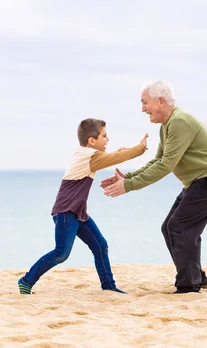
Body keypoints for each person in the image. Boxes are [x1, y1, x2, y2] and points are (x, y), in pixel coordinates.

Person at [101, 81, 207, 293]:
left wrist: (129, 185)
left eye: (145, 102)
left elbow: (166, 165)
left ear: (160, 101)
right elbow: (159, 160)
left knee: (179, 228)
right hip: (200, 181)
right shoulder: (168, 125)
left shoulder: (180, 121)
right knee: (171, 228)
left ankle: (189, 286)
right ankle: (197, 278)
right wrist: (129, 177)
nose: (142, 108)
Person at [18, 118, 148, 295]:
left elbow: (108, 158)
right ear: (92, 141)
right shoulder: (88, 157)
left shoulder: (85, 154)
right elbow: (112, 159)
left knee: (100, 245)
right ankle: (26, 281)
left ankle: (109, 286)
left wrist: (117, 153)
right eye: (104, 135)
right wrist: (139, 148)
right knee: (61, 253)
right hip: (66, 212)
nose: (108, 139)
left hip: (77, 212)